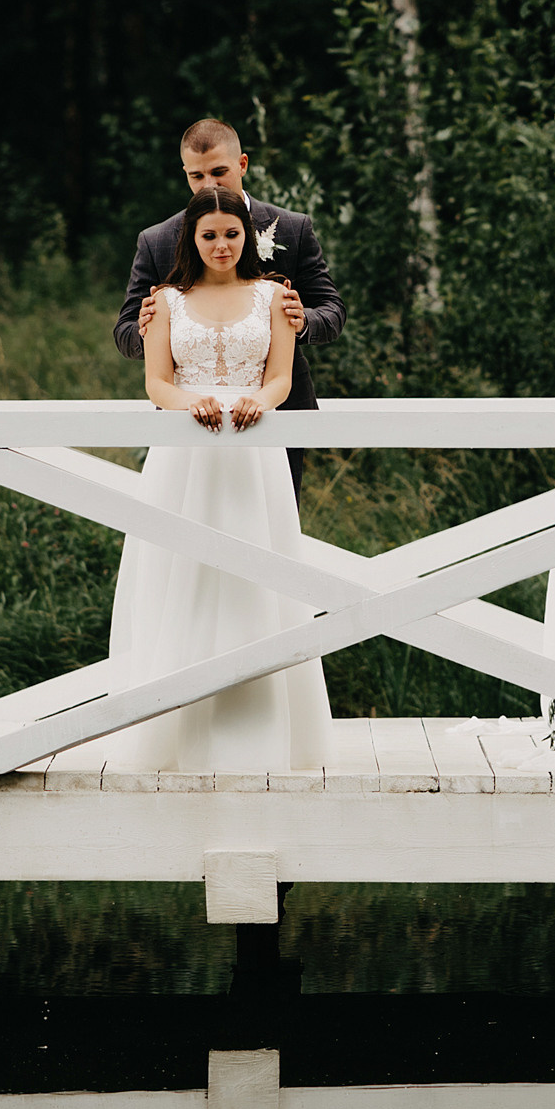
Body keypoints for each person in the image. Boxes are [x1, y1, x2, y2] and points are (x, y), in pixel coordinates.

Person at [99, 183, 334, 772]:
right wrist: (189, 403)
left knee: (259, 577)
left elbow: (281, 376)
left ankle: (266, 730)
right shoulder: (167, 303)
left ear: (246, 237)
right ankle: (174, 732)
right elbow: (157, 382)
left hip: (254, 457)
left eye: (232, 234)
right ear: (192, 239)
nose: (222, 245)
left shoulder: (275, 297)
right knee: (184, 577)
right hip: (187, 454)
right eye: (210, 236)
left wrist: (261, 400)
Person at [115, 119, 344, 511]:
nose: (209, 186)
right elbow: (124, 332)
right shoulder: (157, 240)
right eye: (196, 175)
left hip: (276, 411)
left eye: (219, 172)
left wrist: (301, 321)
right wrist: (151, 327)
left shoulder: (292, 228)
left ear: (242, 164)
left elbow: (333, 310)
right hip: (186, 417)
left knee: (271, 521)